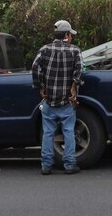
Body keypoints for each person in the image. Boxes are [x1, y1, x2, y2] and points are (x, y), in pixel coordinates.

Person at [30, 19, 83, 175]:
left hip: (49, 100)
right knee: (68, 131)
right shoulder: (74, 51)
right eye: (70, 34)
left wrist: (40, 86)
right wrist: (73, 86)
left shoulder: (44, 50)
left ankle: (46, 166)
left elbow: (35, 67)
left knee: (48, 133)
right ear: (66, 35)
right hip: (67, 100)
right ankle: (69, 165)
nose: (71, 37)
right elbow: (79, 70)